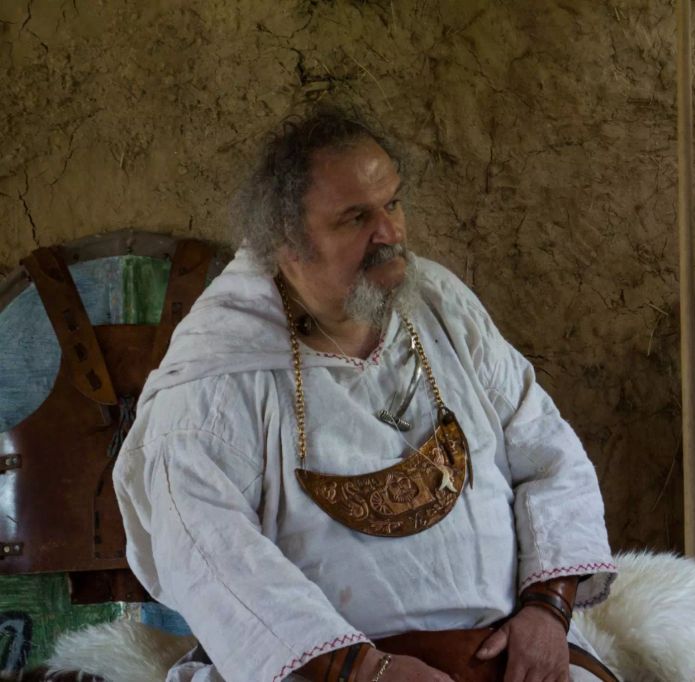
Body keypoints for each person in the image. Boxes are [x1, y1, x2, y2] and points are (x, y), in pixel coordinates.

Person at [113, 108, 617, 682]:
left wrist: (547, 611)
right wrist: (367, 671)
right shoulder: (217, 379)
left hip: (508, 656)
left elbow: (549, 454)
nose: (390, 234)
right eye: (356, 218)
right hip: (319, 673)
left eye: (393, 204)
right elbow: (208, 558)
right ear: (287, 242)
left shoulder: (441, 307)